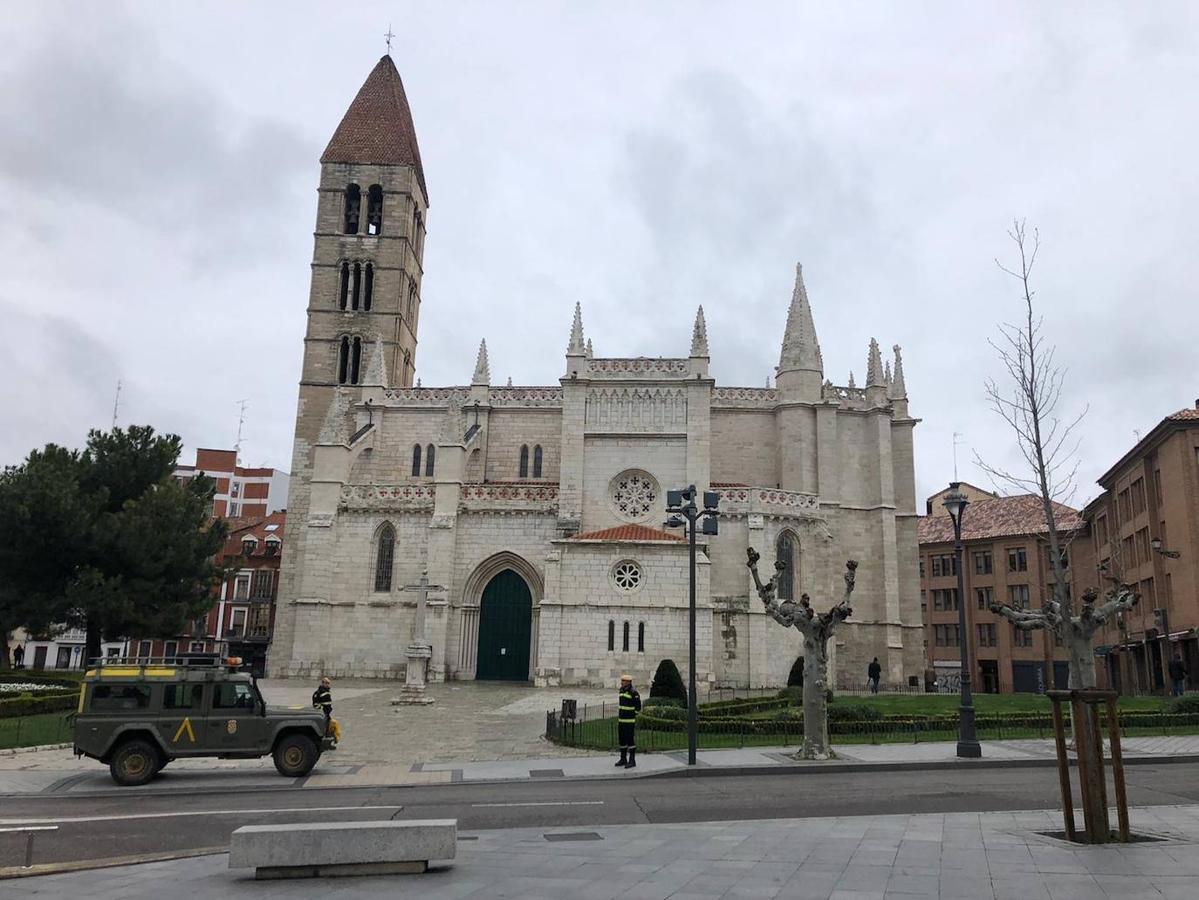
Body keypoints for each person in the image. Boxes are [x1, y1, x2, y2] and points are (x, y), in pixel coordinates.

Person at [615, 674, 641, 769]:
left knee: (630, 741)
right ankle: (623, 759)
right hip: (621, 721)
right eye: (622, 680)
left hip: (629, 721)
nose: (621, 682)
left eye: (623, 681)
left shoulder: (633, 692)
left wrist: (633, 715)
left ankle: (632, 760)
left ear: (628, 682)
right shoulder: (621, 691)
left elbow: (638, 707)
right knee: (622, 740)